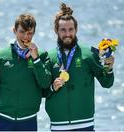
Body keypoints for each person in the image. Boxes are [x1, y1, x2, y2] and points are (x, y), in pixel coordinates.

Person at [44, 3, 115, 131]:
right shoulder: (49, 57)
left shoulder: (89, 54)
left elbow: (106, 83)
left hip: (85, 125)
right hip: (58, 126)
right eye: (63, 30)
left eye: (71, 29)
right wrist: (52, 87)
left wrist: (109, 68)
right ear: (56, 31)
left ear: (76, 30)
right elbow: (42, 91)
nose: (67, 34)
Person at [0, 13, 52, 131]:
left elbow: (45, 84)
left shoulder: (42, 56)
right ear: (14, 30)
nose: (26, 36)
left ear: (34, 32)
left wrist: (36, 59)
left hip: (28, 120)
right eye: (22, 32)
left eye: (30, 33)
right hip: (2, 119)